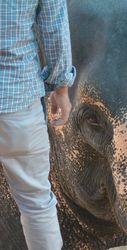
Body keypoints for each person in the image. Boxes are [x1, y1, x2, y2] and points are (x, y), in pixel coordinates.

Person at [0, 0, 75, 249]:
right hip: (18, 101)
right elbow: (54, 28)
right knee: (36, 202)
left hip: (19, 99)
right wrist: (61, 88)